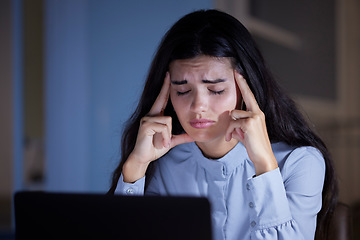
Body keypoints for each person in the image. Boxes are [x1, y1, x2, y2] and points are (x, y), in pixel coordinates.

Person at [108, 9, 338, 240]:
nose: (198, 105)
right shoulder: (164, 163)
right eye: (183, 90)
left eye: (216, 90)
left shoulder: (301, 162)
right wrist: (135, 167)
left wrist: (264, 165)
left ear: (246, 87)